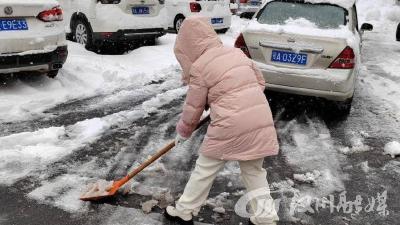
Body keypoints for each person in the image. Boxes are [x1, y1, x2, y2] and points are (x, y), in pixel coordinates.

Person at [165, 16, 280, 225]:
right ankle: (265, 218)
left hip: (230, 125)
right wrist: (233, 100)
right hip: (259, 118)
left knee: (205, 169)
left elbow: (193, 108)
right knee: (254, 171)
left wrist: (183, 132)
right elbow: (260, 82)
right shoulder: (236, 53)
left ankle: (184, 210)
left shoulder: (199, 66)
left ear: (188, 46)